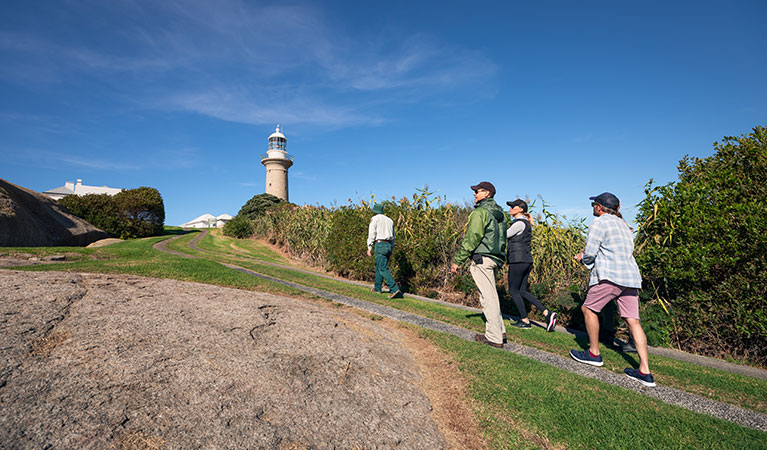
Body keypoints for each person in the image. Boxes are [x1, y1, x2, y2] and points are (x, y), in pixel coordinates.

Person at [569, 192, 655, 387]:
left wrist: (583, 258)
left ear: (599, 207)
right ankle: (645, 371)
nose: (593, 208)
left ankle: (593, 354)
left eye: (594, 205)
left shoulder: (599, 223)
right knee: (633, 321)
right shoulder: (626, 225)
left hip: (610, 275)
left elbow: (591, 252)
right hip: (631, 278)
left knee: (588, 309)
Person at [451, 181, 507, 348]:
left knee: (488, 298)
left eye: (478, 191)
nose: (474, 194)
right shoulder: (501, 214)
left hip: (482, 258)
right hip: (496, 258)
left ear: (487, 194)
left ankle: (494, 337)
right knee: (491, 296)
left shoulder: (480, 212)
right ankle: (500, 331)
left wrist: (458, 261)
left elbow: (472, 237)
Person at [505, 199, 558, 332]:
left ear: (521, 209)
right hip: (526, 260)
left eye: (513, 206)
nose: (510, 208)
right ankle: (547, 313)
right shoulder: (526, 223)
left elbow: (504, 235)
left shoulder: (519, 223)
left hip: (518, 260)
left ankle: (524, 320)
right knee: (522, 291)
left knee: (513, 290)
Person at [367, 203, 402, 299]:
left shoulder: (374, 219)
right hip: (389, 244)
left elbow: (372, 233)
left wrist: (369, 247)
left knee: (383, 268)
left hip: (380, 244)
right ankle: (377, 288)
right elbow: (393, 236)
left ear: (375, 212)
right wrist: (392, 246)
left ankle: (394, 289)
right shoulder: (389, 220)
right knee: (378, 266)